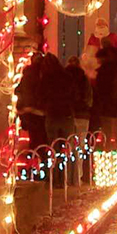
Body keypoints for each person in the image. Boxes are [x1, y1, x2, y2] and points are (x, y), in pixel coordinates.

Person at [39, 53, 77, 187]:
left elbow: (42, 95)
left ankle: (54, 178)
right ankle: (67, 178)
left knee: (53, 147)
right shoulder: (67, 77)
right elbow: (74, 94)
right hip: (66, 114)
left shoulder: (46, 78)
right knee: (67, 147)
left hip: (52, 114)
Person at [94, 45, 117, 150]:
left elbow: (100, 91)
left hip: (107, 109)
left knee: (107, 136)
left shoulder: (103, 72)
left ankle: (107, 157)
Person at [65, 55, 92, 182]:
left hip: (69, 115)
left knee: (68, 147)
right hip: (83, 116)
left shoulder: (64, 79)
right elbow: (89, 99)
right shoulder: (84, 79)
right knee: (80, 146)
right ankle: (77, 177)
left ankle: (68, 177)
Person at [16, 52, 47, 154]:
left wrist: (21, 107)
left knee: (33, 138)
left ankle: (33, 162)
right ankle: (41, 162)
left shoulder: (27, 73)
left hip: (28, 111)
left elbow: (18, 90)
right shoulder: (43, 72)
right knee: (42, 139)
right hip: (40, 111)